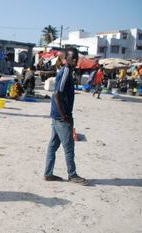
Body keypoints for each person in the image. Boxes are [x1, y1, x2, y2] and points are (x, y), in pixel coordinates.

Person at [44, 47, 88, 185]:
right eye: (72, 57)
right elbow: (57, 94)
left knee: (53, 146)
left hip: (57, 116)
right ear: (66, 59)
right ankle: (72, 175)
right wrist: (65, 115)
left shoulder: (67, 71)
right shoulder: (66, 71)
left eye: (76, 57)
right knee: (69, 147)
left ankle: (48, 173)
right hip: (62, 117)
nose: (75, 60)